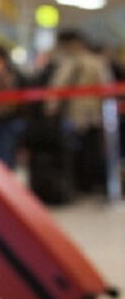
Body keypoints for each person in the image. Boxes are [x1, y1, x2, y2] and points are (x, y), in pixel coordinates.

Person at [47, 30, 112, 194]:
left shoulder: (70, 63)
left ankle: (81, 184)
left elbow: (57, 87)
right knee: (91, 150)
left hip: (74, 114)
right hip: (93, 113)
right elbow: (106, 87)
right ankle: (90, 184)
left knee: (76, 151)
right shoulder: (96, 61)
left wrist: (51, 106)